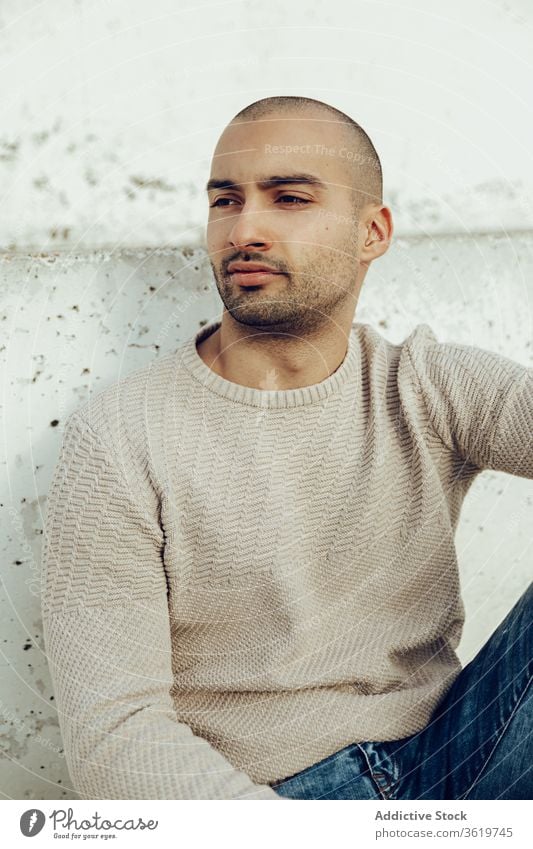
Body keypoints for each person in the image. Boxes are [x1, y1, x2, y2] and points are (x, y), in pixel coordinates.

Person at [41, 95, 532, 801]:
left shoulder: (426, 384)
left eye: (288, 198)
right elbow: (114, 735)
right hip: (269, 801)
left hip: (458, 757)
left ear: (372, 231)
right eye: (224, 201)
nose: (244, 229)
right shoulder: (121, 434)